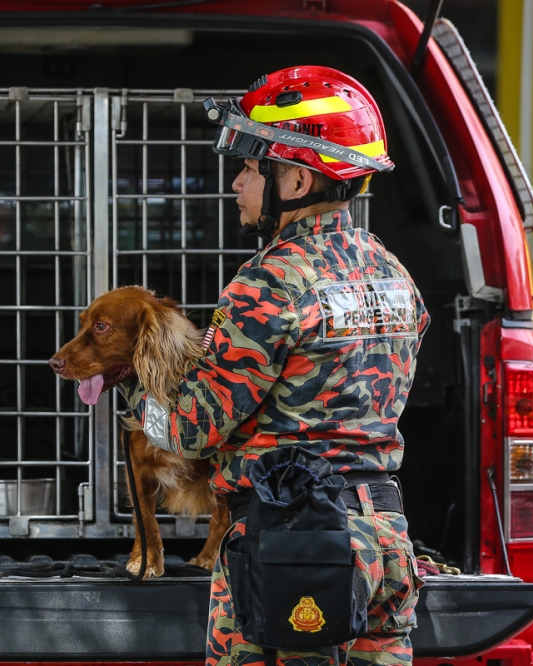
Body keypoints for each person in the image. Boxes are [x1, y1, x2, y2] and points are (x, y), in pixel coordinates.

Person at [117, 66, 430, 666]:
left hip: (292, 549)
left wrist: (139, 395)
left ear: (296, 178)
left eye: (251, 169)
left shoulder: (267, 285)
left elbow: (191, 431)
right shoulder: (393, 274)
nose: (236, 182)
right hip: (386, 544)